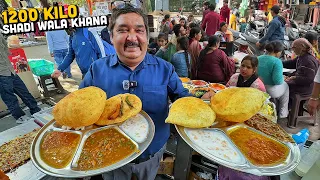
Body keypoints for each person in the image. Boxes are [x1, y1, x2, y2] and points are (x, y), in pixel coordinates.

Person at [80, 6, 189, 179]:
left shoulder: (165, 69)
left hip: (150, 156)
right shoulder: (96, 70)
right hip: (109, 158)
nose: (132, 38)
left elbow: (183, 100)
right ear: (111, 36)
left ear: (146, 35)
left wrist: (202, 102)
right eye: (122, 30)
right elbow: (81, 108)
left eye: (139, 30)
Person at [0, 33, 41, 124]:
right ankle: (20, 116)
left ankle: (35, 110)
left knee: (24, 91)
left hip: (10, 70)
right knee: (10, 98)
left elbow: (5, 48)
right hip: (1, 74)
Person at [258, 41, 289, 118]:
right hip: (270, 90)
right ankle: (283, 113)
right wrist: (283, 78)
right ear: (278, 52)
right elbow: (277, 81)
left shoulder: (258, 58)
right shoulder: (277, 61)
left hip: (257, 86)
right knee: (286, 85)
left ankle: (277, 108)